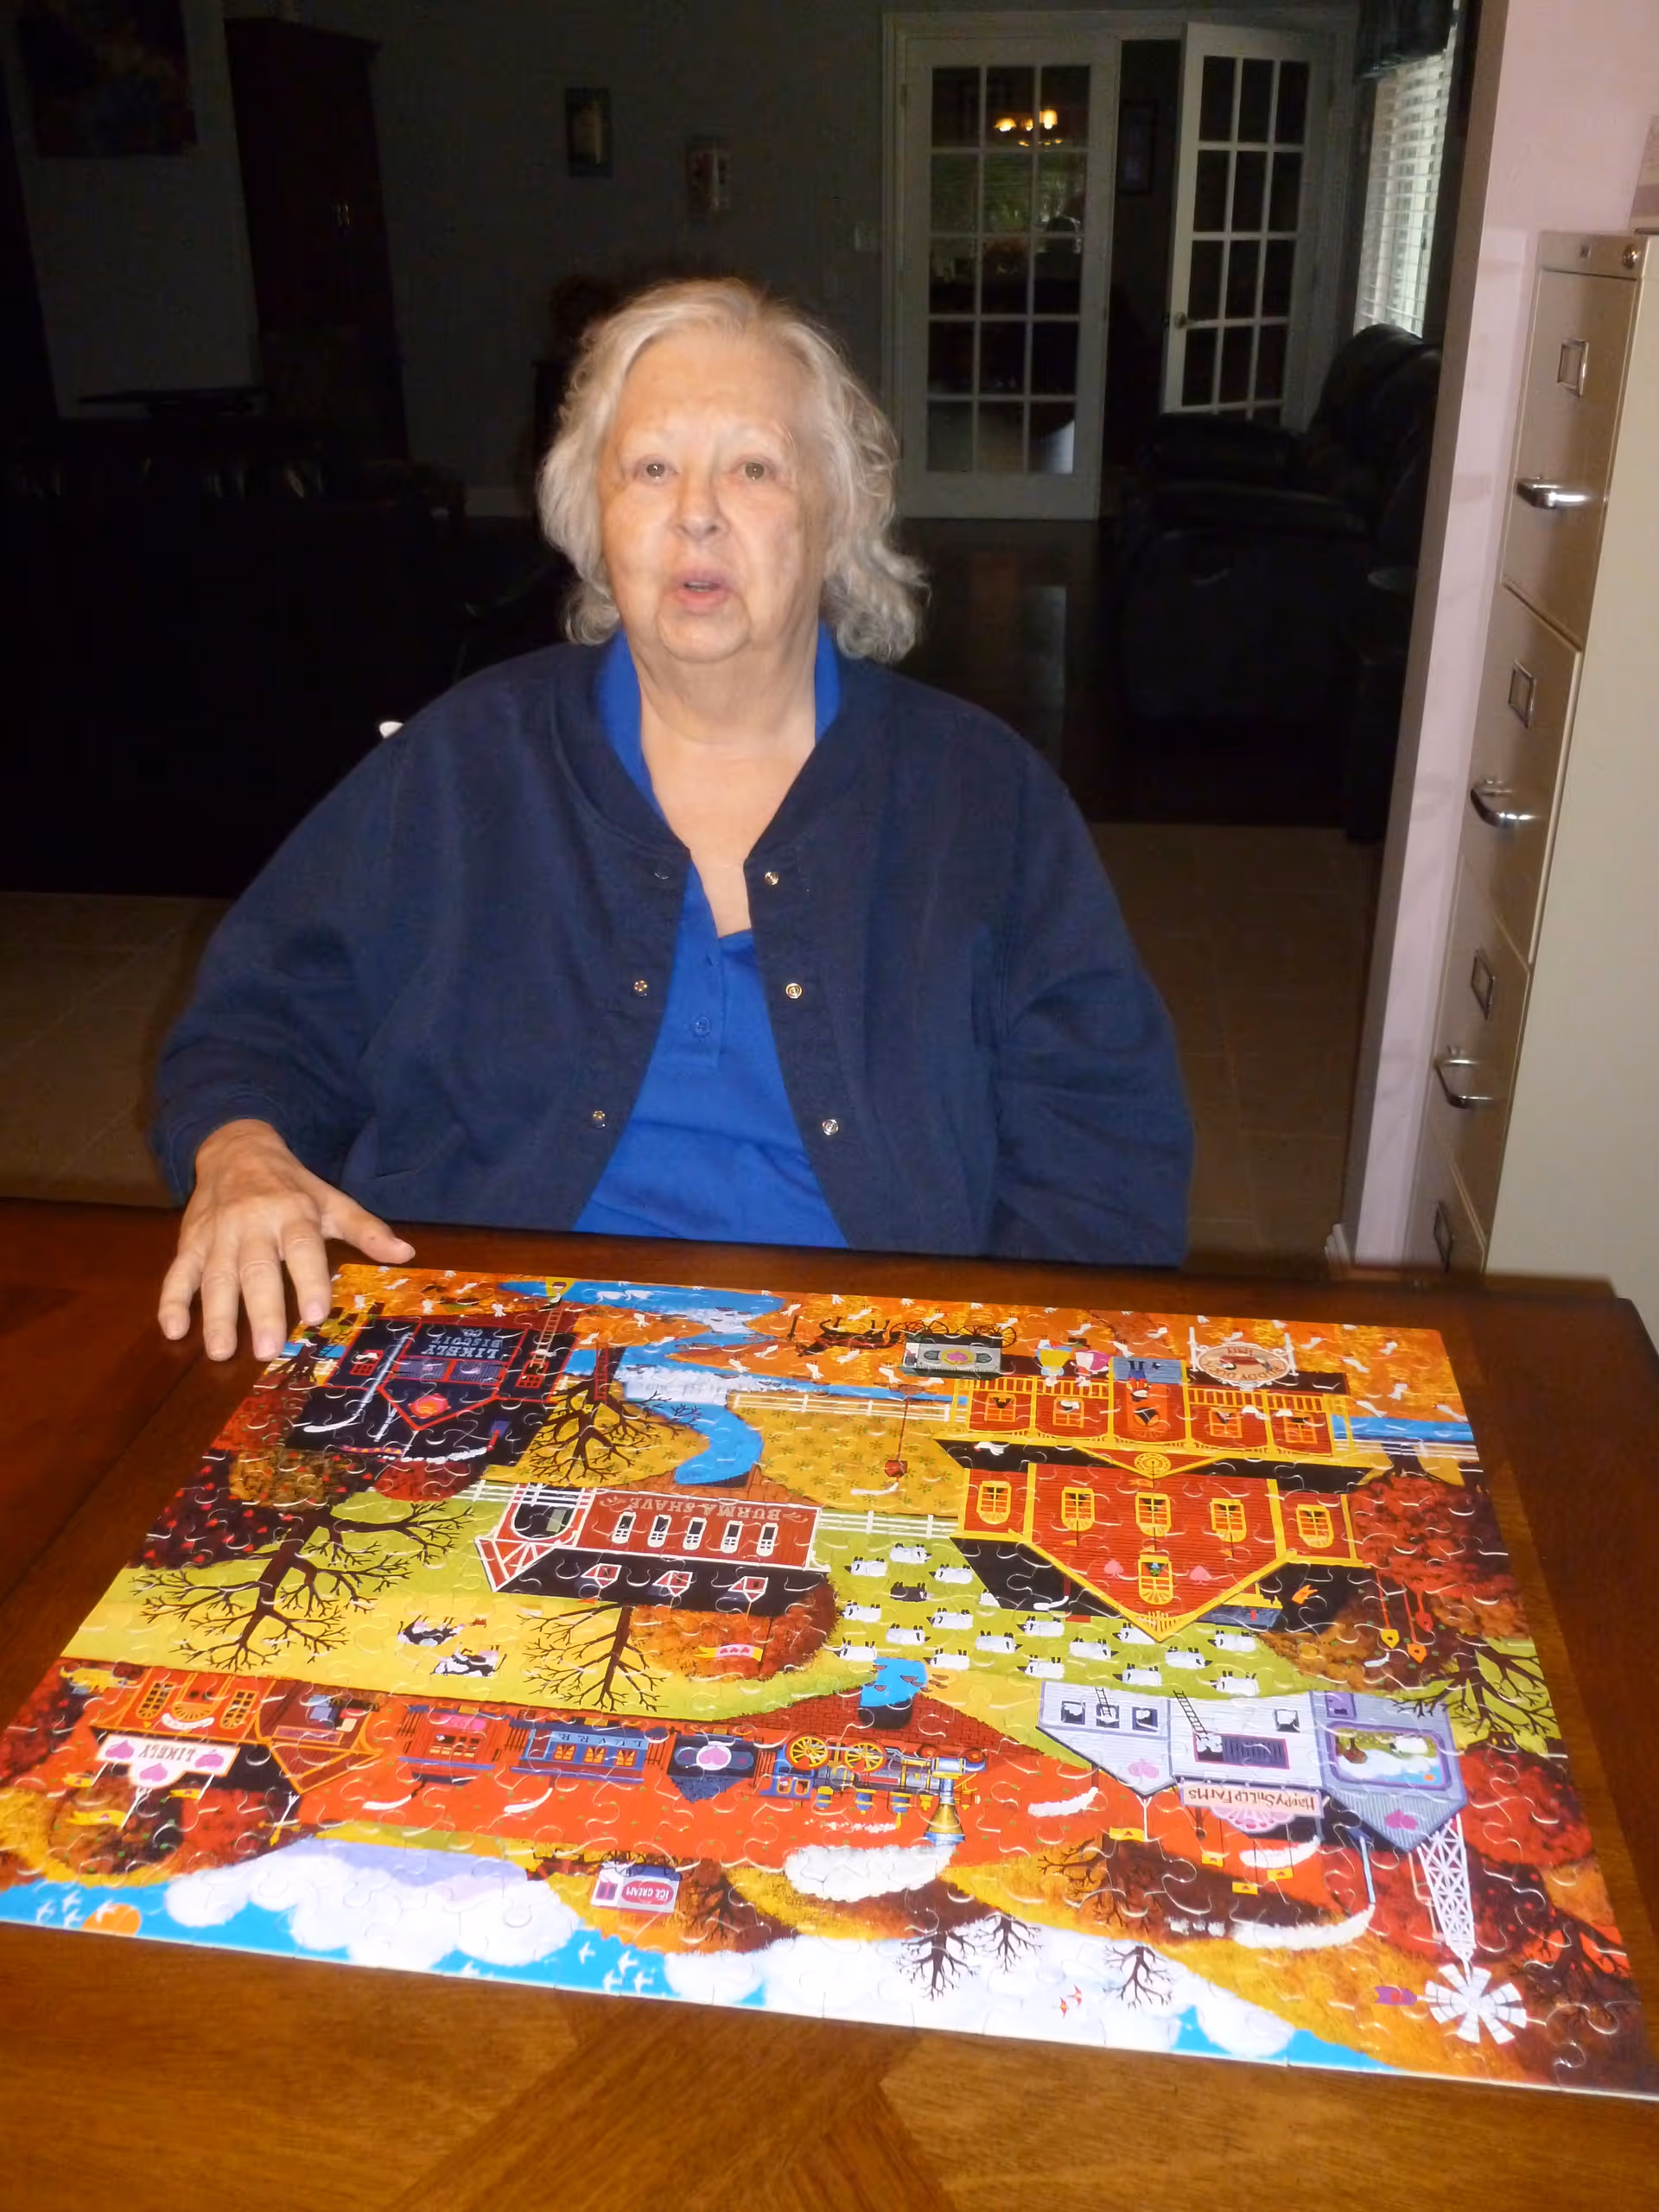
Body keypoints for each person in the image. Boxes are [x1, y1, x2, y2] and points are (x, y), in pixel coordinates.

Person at [154, 277, 1192, 1363]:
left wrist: (1000, 1369)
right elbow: (261, 1016)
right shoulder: (462, 762)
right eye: (651, 468)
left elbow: (1104, 1143)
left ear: (838, 515)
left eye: (752, 467)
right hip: (485, 1361)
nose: (695, 511)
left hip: (879, 1378)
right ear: (591, 517)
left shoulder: (985, 795)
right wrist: (241, 1150)